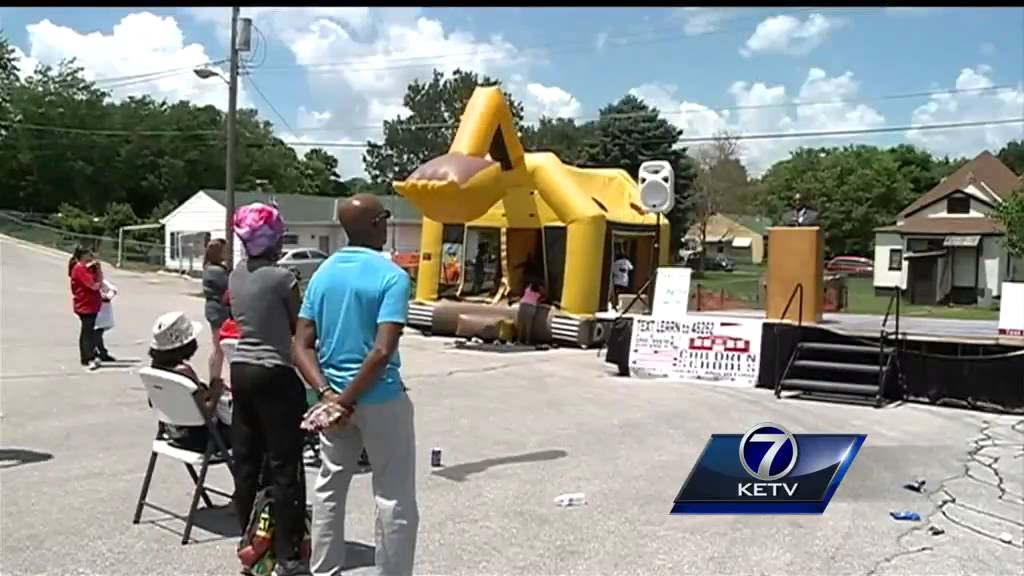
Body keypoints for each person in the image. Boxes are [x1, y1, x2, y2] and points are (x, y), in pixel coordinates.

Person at [293, 194, 418, 576]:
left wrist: (329, 396)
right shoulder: (392, 277)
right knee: (393, 495)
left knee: (330, 487)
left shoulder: (323, 275)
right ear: (376, 224)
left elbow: (300, 344)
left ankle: (324, 569)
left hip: (334, 398)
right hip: (380, 399)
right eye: (384, 218)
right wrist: (345, 400)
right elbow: (382, 350)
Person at [228, 202, 310, 576]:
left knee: (247, 463)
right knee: (284, 466)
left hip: (241, 370)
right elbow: (301, 327)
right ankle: (288, 554)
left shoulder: (235, 276)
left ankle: (251, 544)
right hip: (275, 372)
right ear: (274, 238)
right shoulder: (283, 279)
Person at [149, 311, 230, 451]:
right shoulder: (184, 372)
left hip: (174, 435)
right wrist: (216, 388)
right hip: (202, 439)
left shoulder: (155, 370)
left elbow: (153, 402)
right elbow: (206, 413)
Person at [68, 247, 103, 371]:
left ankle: (88, 355)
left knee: (88, 330)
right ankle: (88, 356)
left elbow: (99, 282)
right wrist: (98, 274)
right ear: (82, 255)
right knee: (87, 332)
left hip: (91, 304)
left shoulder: (87, 269)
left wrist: (97, 269)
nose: (91, 256)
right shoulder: (80, 269)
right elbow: (94, 285)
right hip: (85, 304)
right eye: (89, 254)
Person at [202, 239, 230, 383]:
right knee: (218, 349)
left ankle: (215, 378)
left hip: (216, 310)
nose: (226, 252)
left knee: (218, 348)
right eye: (224, 250)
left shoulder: (211, 268)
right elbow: (229, 287)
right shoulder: (215, 270)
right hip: (218, 311)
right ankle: (214, 380)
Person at [94, 265, 118, 362]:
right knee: (95, 333)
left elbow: (113, 289)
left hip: (103, 311)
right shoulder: (89, 281)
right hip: (94, 310)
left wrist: (107, 297)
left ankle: (100, 352)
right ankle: (100, 352)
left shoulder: (102, 282)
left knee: (98, 332)